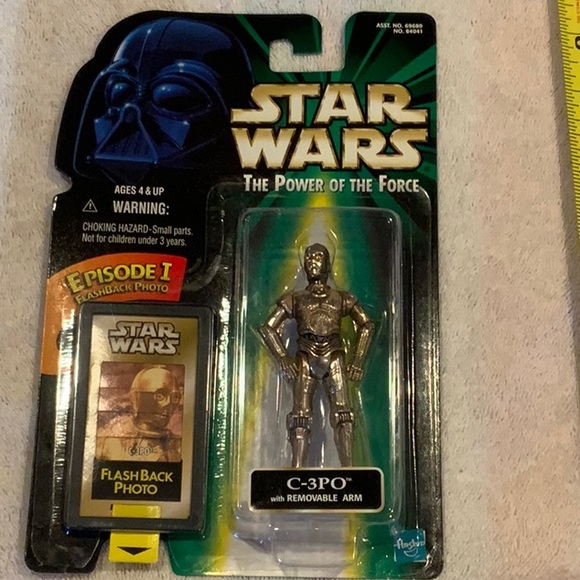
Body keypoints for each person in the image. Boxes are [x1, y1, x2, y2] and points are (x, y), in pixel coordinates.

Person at [260, 244, 374, 468]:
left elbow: (367, 325)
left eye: (318, 257)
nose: (312, 262)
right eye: (308, 257)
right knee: (300, 416)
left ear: (328, 264)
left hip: (335, 356)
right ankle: (297, 469)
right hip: (305, 356)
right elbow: (268, 328)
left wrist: (358, 360)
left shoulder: (341, 298)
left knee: (343, 414)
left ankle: (349, 468)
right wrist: (282, 357)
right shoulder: (296, 298)